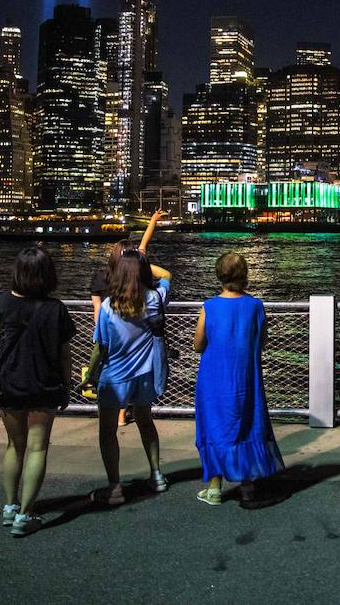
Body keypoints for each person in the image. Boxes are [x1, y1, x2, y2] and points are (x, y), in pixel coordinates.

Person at [193, 252, 284, 507]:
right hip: (246, 377)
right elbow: (262, 340)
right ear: (245, 276)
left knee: (215, 427)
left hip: (213, 378)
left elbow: (198, 344)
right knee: (247, 423)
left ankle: (214, 488)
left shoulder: (209, 307)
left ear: (219, 276)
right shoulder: (255, 306)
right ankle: (247, 486)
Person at [0, 246, 75, 537]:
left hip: (9, 383)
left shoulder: (3, 303)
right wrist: (66, 388)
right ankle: (26, 514)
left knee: (13, 446)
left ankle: (9, 506)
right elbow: (64, 355)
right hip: (44, 383)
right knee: (37, 447)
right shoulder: (56, 309)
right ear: (48, 275)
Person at [80, 250, 170, 505]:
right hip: (145, 373)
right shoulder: (154, 299)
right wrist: (143, 262)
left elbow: (102, 345)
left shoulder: (109, 307)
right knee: (146, 422)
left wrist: (89, 375)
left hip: (115, 375)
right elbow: (166, 277)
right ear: (143, 272)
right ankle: (157, 475)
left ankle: (115, 486)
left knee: (107, 431)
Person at [87, 210, 172, 428]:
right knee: (133, 373)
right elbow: (159, 267)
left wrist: (99, 336)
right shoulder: (148, 294)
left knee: (114, 371)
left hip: (108, 333)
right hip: (135, 335)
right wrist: (141, 262)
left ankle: (117, 414)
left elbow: (98, 310)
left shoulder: (100, 277)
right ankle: (124, 415)